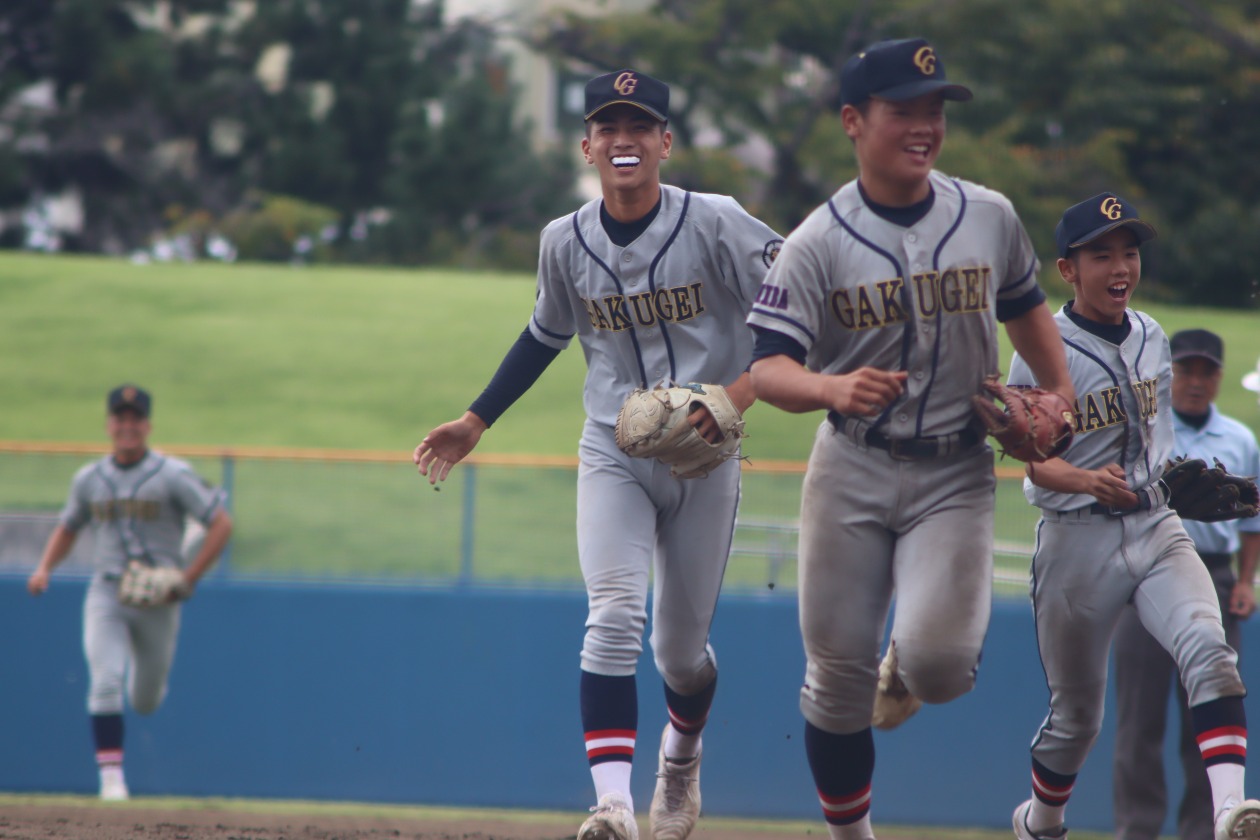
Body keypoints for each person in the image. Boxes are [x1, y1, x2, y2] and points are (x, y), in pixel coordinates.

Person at [413, 69, 782, 840]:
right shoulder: (564, 239)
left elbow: (793, 303)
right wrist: (478, 418)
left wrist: (732, 396)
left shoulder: (716, 222)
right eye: (608, 127)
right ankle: (612, 806)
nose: (624, 140)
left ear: (665, 144)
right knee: (612, 615)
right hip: (613, 448)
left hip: (705, 455)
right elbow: (544, 334)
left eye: (640, 126)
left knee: (681, 655)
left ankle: (680, 758)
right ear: (586, 145)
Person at [744, 37, 1074, 840]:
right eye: (905, 110)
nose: (925, 124)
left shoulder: (987, 215)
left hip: (955, 470)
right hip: (851, 463)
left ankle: (908, 664)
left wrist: (1059, 392)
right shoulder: (818, 240)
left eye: (935, 109)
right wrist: (829, 385)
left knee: (937, 669)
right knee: (834, 681)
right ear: (854, 121)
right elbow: (767, 369)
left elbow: (1026, 306)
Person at [1004, 194, 1260, 840]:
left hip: (1154, 528)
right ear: (1068, 268)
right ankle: (1040, 821)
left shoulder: (1151, 336)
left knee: (1211, 650)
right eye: (1102, 254)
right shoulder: (1042, 346)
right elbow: (1033, 464)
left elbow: (1159, 444)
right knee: (1077, 720)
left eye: (1129, 251)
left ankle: (1232, 808)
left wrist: (1174, 480)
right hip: (1074, 539)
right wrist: (1085, 477)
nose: (1120, 265)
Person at [27, 384, 233, 801]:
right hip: (107, 593)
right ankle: (112, 781)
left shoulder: (172, 474)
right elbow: (69, 526)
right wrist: (45, 567)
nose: (127, 426)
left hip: (160, 598)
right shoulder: (89, 479)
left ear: (147, 425)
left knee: (145, 700)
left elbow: (221, 523)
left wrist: (189, 577)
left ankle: (140, 699)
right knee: (105, 680)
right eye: (120, 418)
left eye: (135, 419)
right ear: (108, 424)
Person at [1113, 329, 1260, 840]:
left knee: (1212, 710)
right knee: (1138, 725)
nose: (1196, 381)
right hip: (1143, 574)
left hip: (1216, 579)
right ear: (1168, 375)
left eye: (1207, 371)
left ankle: (1208, 830)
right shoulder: (1148, 432)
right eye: (1186, 370)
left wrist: (1246, 581)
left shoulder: (1241, 440)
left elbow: (1251, 523)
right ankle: (1137, 832)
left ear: (1219, 377)